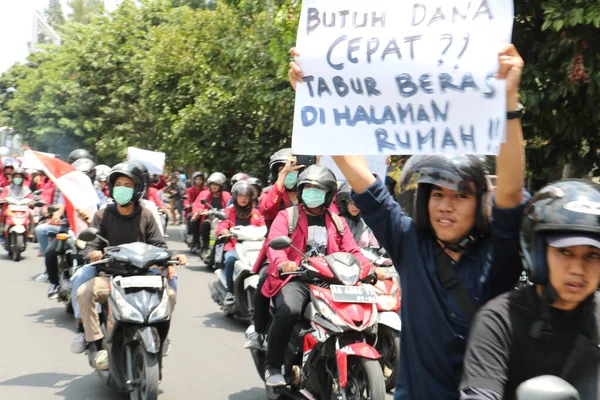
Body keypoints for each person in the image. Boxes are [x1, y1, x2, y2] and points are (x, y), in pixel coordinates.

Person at [289, 44, 528, 398]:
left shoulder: (499, 258)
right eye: (437, 194)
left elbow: (510, 192)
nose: (447, 205)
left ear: (478, 203)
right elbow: (359, 175)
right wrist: (316, 99)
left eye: (460, 195)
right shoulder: (410, 242)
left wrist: (509, 102)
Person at [460, 179, 600, 400]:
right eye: (565, 252)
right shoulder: (499, 320)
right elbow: (479, 394)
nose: (578, 269)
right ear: (539, 254)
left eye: (592, 255)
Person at [260, 165, 370, 386]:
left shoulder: (337, 221)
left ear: (328, 193)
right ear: (300, 191)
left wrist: (367, 268)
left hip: (331, 281)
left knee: (357, 316)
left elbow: (353, 251)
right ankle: (273, 366)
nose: (312, 192)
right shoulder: (287, 216)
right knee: (288, 310)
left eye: (318, 188)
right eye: (307, 187)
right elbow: (275, 245)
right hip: (298, 278)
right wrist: (284, 263)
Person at [71, 162, 186, 367]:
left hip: (145, 277)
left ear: (137, 189)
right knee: (84, 292)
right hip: (111, 277)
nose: (121, 189)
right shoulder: (102, 215)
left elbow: (159, 245)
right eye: (118, 184)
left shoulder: (146, 215)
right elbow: (90, 246)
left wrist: (172, 258)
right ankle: (96, 344)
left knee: (169, 295)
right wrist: (93, 254)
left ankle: (162, 336)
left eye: (127, 184)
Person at [217, 180, 265, 304]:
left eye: (246, 196)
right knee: (230, 260)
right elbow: (222, 224)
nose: (243, 199)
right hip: (233, 245)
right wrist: (223, 231)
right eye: (241, 196)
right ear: (235, 197)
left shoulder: (256, 213)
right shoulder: (229, 211)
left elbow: (263, 225)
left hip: (253, 246)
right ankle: (230, 291)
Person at [259, 149, 302, 228]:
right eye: (282, 169)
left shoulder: (308, 194)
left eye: (294, 169)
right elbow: (268, 211)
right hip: (277, 238)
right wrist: (284, 173)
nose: (288, 172)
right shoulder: (268, 193)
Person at [191, 172, 231, 255]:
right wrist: (197, 212)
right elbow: (197, 205)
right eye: (212, 184)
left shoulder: (226, 195)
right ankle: (204, 247)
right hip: (210, 219)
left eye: (216, 184)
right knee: (204, 223)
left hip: (223, 220)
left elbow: (231, 207)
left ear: (221, 186)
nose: (213, 186)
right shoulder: (204, 194)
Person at [336, 182, 378, 248]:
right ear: (345, 204)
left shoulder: (367, 224)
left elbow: (374, 248)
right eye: (352, 203)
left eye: (358, 203)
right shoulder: (337, 222)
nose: (355, 207)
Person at [186, 171, 205, 252]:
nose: (199, 181)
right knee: (193, 220)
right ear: (194, 180)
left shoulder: (206, 190)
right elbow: (186, 200)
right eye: (197, 179)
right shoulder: (190, 190)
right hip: (193, 211)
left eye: (200, 179)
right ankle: (195, 242)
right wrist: (187, 204)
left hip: (204, 211)